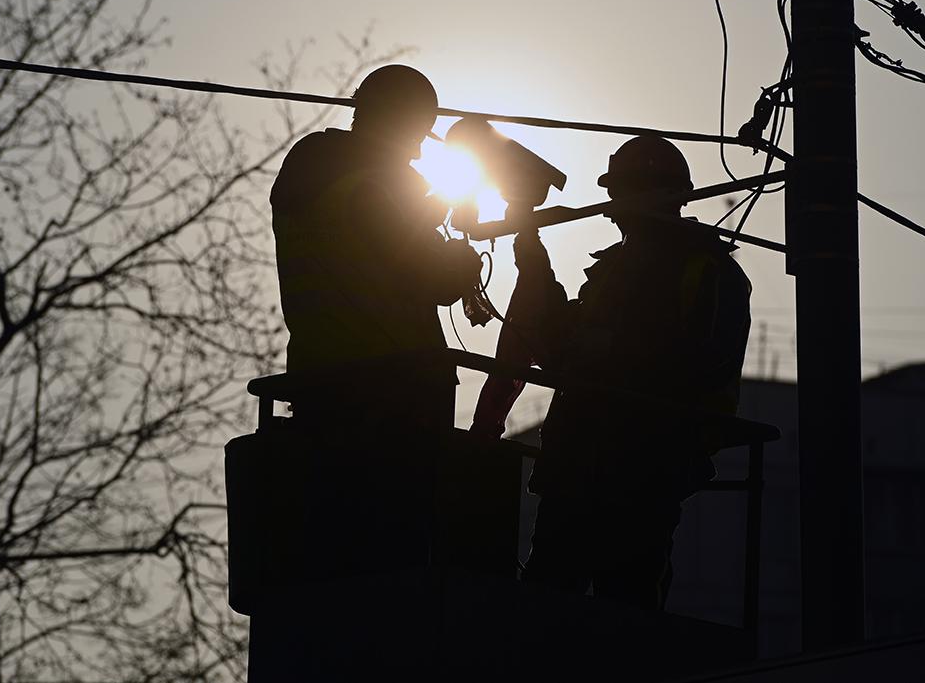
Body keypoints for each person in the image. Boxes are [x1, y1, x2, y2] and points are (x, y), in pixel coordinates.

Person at [476, 136, 751, 610]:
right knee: (550, 601)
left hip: (643, 472)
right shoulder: (614, 274)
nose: (611, 210)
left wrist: (609, 358)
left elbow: (700, 369)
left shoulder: (707, 274)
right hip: (579, 466)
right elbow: (560, 345)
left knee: (624, 611)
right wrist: (530, 248)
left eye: (619, 196)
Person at [269, 64, 482, 574]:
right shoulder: (376, 185)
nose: (416, 150)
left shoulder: (312, 170)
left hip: (321, 378)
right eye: (415, 135)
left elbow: (365, 243)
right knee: (393, 559)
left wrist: (428, 209)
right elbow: (427, 273)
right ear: (402, 124)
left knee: (328, 556)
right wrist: (462, 258)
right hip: (392, 390)